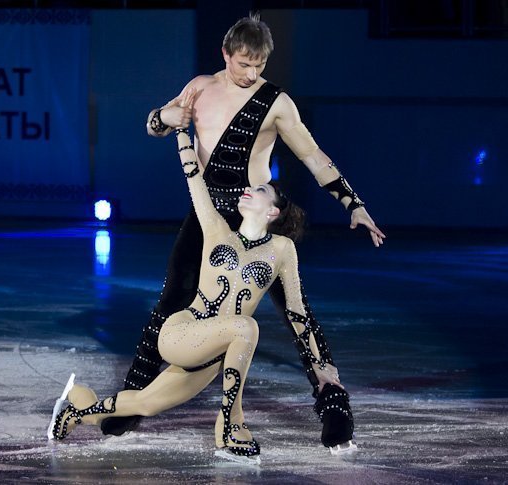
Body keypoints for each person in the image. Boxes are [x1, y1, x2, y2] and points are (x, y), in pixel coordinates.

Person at [102, 13, 385, 450]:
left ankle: (333, 403)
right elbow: (154, 125)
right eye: (243, 65)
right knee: (172, 297)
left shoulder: (276, 102)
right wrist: (165, 114)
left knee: (294, 310)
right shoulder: (200, 86)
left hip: (251, 213)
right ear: (225, 54)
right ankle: (133, 403)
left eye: (259, 67)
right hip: (206, 213)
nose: (252, 75)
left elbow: (314, 157)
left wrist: (354, 204)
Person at [50, 119, 346, 464]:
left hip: (215, 354)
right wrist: (180, 134)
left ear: (273, 211)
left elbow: (297, 311)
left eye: (261, 190)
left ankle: (78, 410)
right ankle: (230, 424)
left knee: (145, 402)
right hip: (182, 332)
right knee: (247, 326)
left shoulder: (282, 250)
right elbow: (195, 180)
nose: (250, 189)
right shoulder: (218, 229)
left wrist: (319, 364)